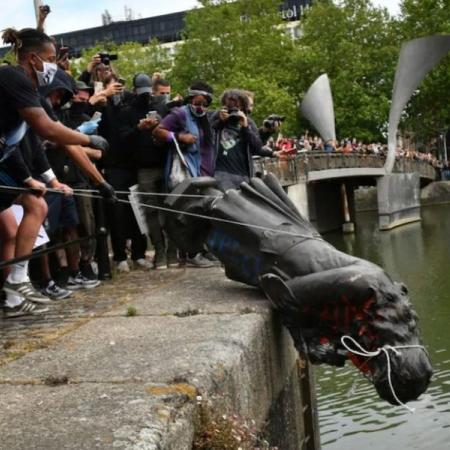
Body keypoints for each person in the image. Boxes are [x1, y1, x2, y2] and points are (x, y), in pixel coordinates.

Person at [0, 27, 113, 318]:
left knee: (34, 204)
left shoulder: (30, 91)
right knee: (32, 207)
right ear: (34, 58)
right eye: (50, 58)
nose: (53, 65)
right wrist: (88, 139)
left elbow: (21, 144)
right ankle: (16, 286)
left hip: (5, 164)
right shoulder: (12, 76)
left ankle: (16, 287)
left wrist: (33, 179)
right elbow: (47, 130)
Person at [153, 81, 216, 268]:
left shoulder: (205, 118)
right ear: (190, 100)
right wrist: (179, 137)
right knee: (189, 213)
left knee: (204, 213)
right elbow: (159, 131)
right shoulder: (180, 114)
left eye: (205, 104)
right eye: (198, 103)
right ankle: (192, 253)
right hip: (185, 172)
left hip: (203, 173)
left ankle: (204, 250)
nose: (201, 107)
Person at [118, 74, 176, 269]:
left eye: (148, 93)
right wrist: (139, 128)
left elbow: (173, 130)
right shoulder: (127, 112)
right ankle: (159, 250)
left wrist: (159, 127)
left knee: (170, 208)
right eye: (142, 93)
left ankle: (172, 251)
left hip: (164, 164)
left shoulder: (161, 107)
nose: (145, 96)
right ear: (134, 91)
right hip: (143, 168)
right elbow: (123, 140)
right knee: (150, 212)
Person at [99, 74, 150, 272]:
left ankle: (139, 253)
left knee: (137, 211)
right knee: (117, 212)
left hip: (133, 164)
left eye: (120, 85)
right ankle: (119, 256)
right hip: (112, 166)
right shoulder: (102, 105)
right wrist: (104, 95)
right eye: (113, 86)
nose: (117, 89)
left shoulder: (129, 102)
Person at [211, 89, 276, 190]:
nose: (234, 110)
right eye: (230, 106)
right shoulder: (217, 116)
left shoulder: (248, 122)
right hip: (220, 173)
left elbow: (257, 147)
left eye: (238, 107)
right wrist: (221, 121)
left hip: (243, 174)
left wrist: (245, 127)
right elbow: (207, 134)